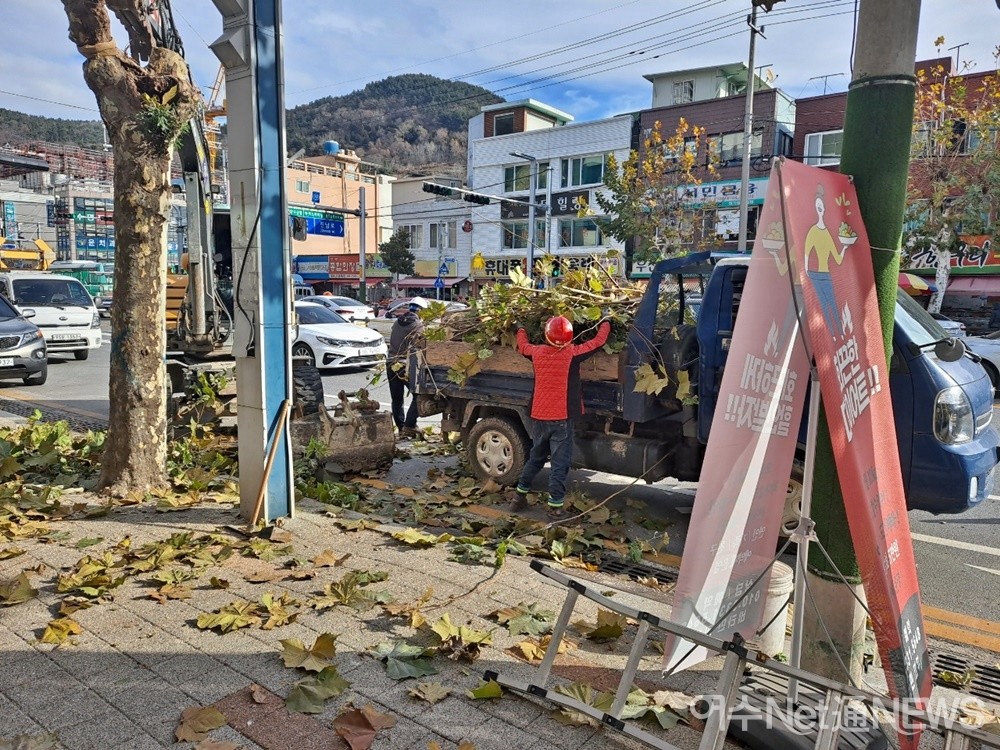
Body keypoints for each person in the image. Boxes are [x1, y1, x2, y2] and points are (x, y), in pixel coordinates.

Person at [514, 315, 611, 513]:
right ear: (570, 337)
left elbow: (523, 345)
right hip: (561, 418)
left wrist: (520, 327)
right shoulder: (572, 354)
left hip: (539, 416)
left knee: (536, 457)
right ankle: (555, 507)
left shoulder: (536, 352)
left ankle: (518, 497)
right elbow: (598, 342)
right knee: (560, 463)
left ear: (546, 335)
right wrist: (606, 322)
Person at [387, 297, 427, 438]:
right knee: (419, 394)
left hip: (390, 363)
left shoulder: (397, 322)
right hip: (405, 365)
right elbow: (421, 347)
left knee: (397, 399)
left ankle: (400, 428)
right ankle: (409, 425)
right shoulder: (417, 325)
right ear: (420, 311)